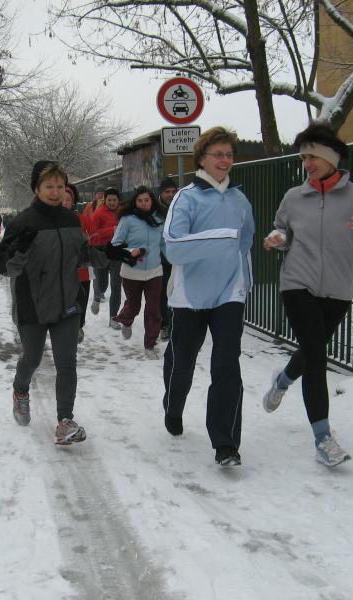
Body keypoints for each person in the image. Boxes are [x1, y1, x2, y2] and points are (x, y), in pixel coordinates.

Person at [262, 122, 353, 468]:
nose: (307, 164)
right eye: (303, 158)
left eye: (312, 157)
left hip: (338, 289)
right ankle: (323, 438)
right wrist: (278, 238)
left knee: (311, 349)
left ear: (331, 158)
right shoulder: (294, 197)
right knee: (316, 356)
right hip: (297, 283)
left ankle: (282, 380)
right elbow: (282, 229)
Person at [0, 160, 107, 445]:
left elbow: (81, 255)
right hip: (32, 304)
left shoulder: (71, 220)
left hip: (67, 303)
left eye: (60, 186)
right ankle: (21, 390)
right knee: (32, 358)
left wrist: (109, 253)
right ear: (37, 188)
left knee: (66, 363)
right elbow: (2, 266)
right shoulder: (22, 222)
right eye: (49, 186)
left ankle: (65, 421)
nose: (56, 192)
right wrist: (20, 249)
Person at [161, 126, 255, 467]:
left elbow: (245, 242)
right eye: (218, 154)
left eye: (229, 155)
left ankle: (225, 443)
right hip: (190, 297)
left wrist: (245, 282)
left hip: (229, 293)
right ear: (202, 158)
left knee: (227, 364)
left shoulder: (240, 200)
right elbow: (173, 248)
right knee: (182, 361)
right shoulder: (186, 198)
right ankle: (173, 406)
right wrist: (220, 239)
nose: (225, 160)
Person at [109, 185, 165, 358]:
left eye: (146, 200)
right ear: (135, 202)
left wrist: (176, 259)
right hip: (132, 271)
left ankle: (150, 345)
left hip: (155, 270)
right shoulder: (128, 219)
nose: (143, 203)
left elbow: (163, 243)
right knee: (134, 306)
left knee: (153, 308)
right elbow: (115, 243)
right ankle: (126, 320)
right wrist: (130, 251)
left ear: (152, 201)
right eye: (140, 201)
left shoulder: (159, 218)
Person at [63, 183, 92, 343]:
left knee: (83, 295)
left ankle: (79, 324)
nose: (64, 202)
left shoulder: (83, 219)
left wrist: (88, 240)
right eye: (62, 199)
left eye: (68, 199)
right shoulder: (50, 221)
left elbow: (93, 236)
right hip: (63, 267)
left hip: (82, 264)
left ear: (73, 201)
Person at [90, 186, 122, 328]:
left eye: (115, 200)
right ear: (105, 200)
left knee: (116, 286)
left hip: (117, 252)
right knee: (102, 284)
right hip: (101, 252)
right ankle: (97, 296)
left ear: (118, 200)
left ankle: (113, 318)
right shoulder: (98, 213)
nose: (112, 202)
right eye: (109, 200)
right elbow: (92, 233)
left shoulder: (123, 212)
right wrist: (111, 230)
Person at [156, 176, 178, 341]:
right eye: (167, 192)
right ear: (161, 193)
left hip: (179, 258)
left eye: (173, 191)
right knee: (163, 294)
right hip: (160, 259)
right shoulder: (154, 210)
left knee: (177, 293)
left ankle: (174, 325)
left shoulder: (181, 207)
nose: (170, 194)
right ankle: (164, 325)